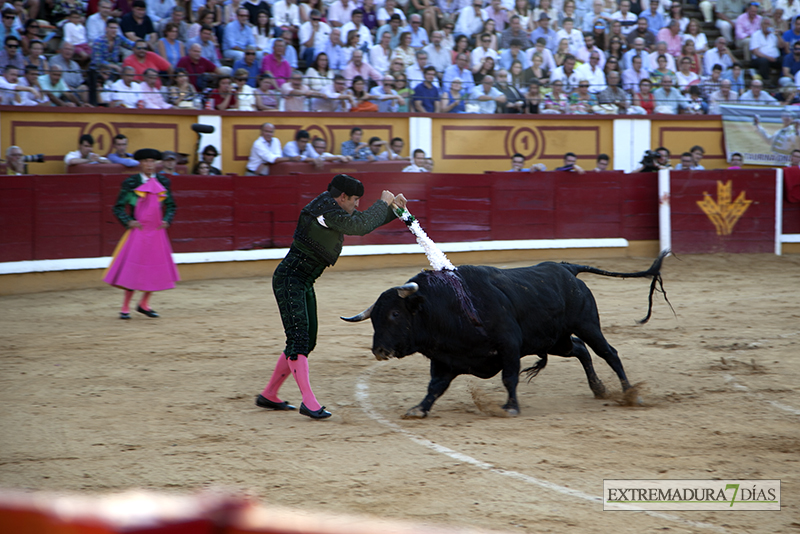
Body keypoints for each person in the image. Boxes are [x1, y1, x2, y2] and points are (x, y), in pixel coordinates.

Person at [256, 174, 407, 419]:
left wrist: (394, 210)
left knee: (306, 340)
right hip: (289, 280)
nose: (357, 204)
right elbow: (361, 226)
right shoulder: (326, 211)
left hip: (303, 281)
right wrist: (382, 204)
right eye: (355, 199)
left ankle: (269, 394)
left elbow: (360, 220)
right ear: (343, 197)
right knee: (299, 340)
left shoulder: (332, 208)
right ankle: (309, 402)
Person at [104, 148, 179, 320]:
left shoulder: (163, 182)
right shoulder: (131, 183)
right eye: (146, 161)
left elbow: (172, 206)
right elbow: (118, 207)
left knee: (154, 267)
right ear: (140, 163)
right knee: (133, 268)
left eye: (152, 161)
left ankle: (144, 303)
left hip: (157, 231)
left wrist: (167, 220)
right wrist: (128, 221)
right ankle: (125, 307)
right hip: (139, 230)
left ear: (156, 164)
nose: (149, 165)